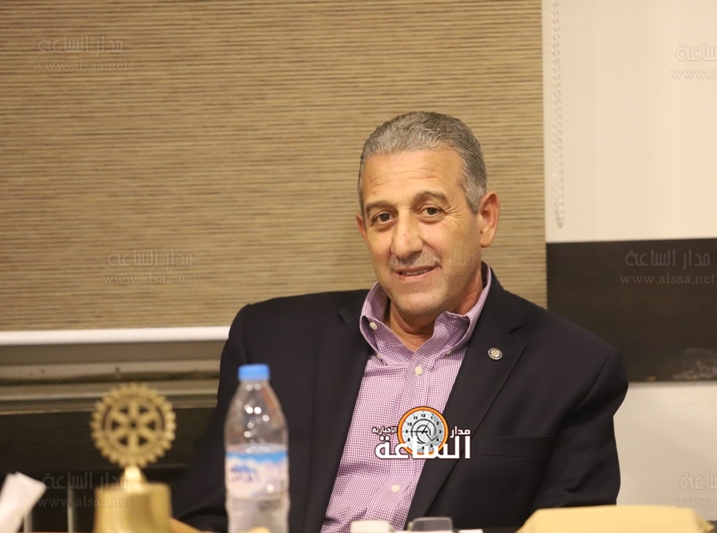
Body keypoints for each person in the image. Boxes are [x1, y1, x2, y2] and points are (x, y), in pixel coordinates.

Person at [172, 112, 628, 533]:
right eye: (384, 217)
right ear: (364, 231)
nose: (404, 244)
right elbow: (205, 516)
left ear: (485, 219)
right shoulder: (271, 340)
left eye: (430, 211)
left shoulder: (572, 368)